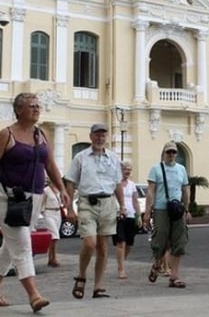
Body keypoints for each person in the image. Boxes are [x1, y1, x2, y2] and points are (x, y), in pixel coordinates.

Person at [0, 92, 69, 313]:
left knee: (11, 246)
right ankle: (34, 295)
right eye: (31, 106)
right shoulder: (6, 135)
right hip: (9, 199)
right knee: (22, 245)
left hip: (34, 198)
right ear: (19, 110)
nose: (37, 109)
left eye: (38, 106)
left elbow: (50, 165)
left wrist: (62, 189)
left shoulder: (42, 134)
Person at [65, 123, 126, 299]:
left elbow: (117, 184)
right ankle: (82, 275)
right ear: (91, 136)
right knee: (89, 243)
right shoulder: (81, 157)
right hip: (87, 203)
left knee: (103, 248)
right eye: (97, 135)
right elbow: (70, 182)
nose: (100, 138)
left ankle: (98, 286)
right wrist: (69, 208)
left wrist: (122, 205)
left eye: (103, 135)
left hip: (108, 203)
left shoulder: (113, 158)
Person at [143, 141, 190, 288]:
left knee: (179, 241)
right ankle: (157, 264)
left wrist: (187, 209)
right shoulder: (156, 169)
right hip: (161, 208)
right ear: (164, 153)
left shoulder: (181, 169)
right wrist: (147, 211)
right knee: (160, 240)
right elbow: (151, 191)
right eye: (168, 152)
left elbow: (186, 190)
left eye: (173, 152)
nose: (171, 155)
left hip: (177, 209)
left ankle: (174, 276)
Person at [113, 161, 142, 279]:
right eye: (125, 169)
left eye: (129, 169)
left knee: (129, 243)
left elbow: (135, 200)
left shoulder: (132, 184)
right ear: (120, 170)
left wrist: (138, 215)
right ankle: (121, 269)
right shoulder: (115, 183)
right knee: (121, 242)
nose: (127, 171)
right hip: (118, 215)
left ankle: (121, 262)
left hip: (130, 215)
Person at [42, 178, 63, 267]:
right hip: (49, 213)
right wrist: (42, 214)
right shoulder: (46, 191)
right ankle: (54, 258)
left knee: (53, 238)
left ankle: (50, 258)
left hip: (57, 213)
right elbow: (41, 203)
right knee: (55, 237)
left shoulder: (59, 190)